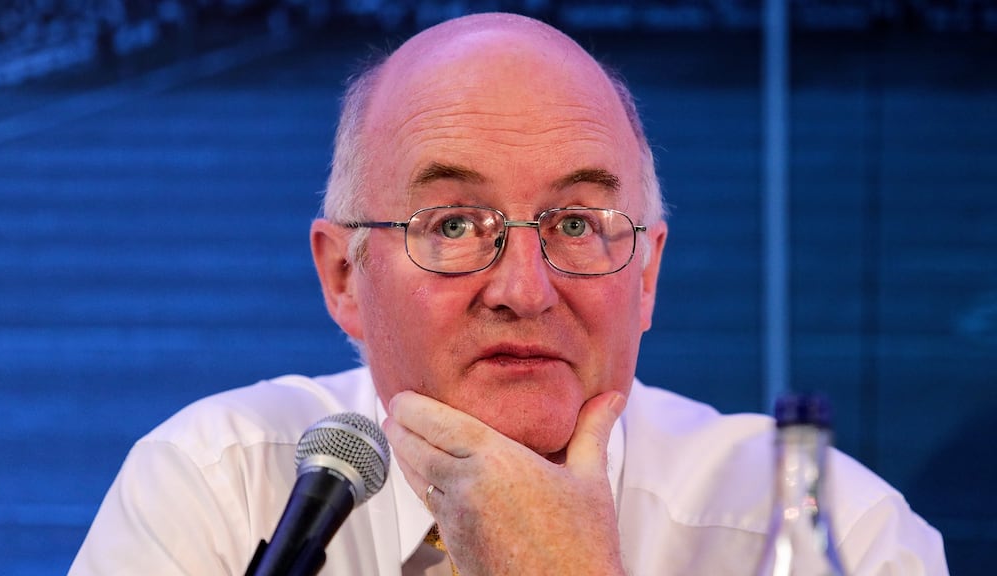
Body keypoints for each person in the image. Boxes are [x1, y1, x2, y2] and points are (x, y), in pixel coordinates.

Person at [69, 12, 948, 576]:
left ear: (645, 276)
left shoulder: (833, 533)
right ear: (344, 276)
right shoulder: (216, 485)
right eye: (452, 225)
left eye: (576, 223)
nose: (525, 291)